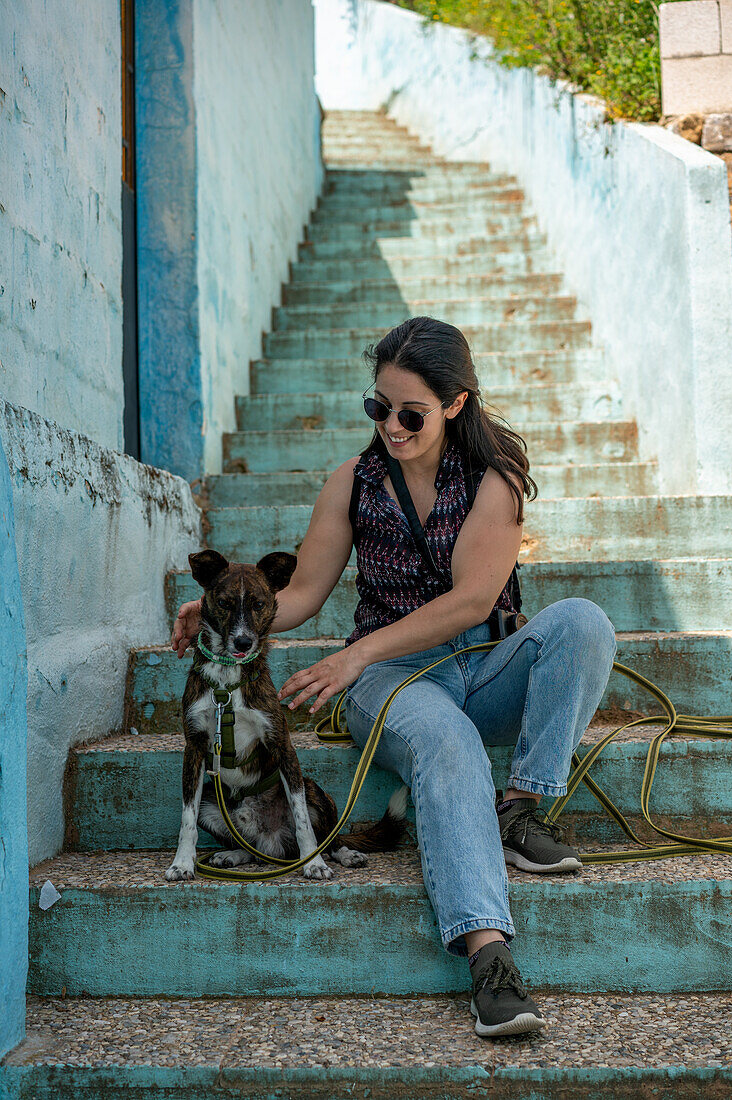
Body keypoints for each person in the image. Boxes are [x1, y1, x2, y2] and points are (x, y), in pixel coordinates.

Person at [171, 315, 617, 1038]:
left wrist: (350, 654)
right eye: (378, 407)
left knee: (584, 624)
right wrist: (224, 613)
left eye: (411, 412)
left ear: (455, 405)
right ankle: (489, 958)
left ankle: (519, 808)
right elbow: (307, 592)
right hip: (392, 680)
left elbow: (474, 598)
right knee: (444, 739)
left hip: (483, 661)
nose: (392, 425)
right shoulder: (353, 482)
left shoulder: (493, 478)